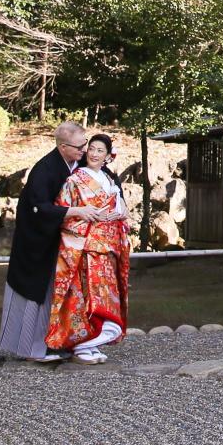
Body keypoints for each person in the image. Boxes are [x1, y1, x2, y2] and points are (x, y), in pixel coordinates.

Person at [0, 121, 118, 361]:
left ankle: (69, 342)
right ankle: (32, 349)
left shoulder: (80, 162)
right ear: (63, 146)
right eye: (80, 146)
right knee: (38, 296)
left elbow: (110, 183)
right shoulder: (45, 169)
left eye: (86, 145)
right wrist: (77, 212)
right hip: (39, 243)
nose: (85, 151)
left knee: (70, 297)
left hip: (72, 244)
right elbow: (38, 207)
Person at [45, 132, 132, 363]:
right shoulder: (75, 179)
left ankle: (93, 343)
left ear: (107, 156)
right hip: (86, 248)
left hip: (109, 248)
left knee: (106, 298)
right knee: (88, 297)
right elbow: (64, 211)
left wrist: (121, 214)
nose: (94, 154)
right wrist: (86, 216)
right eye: (91, 149)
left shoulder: (110, 180)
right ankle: (83, 344)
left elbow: (124, 212)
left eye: (100, 150)